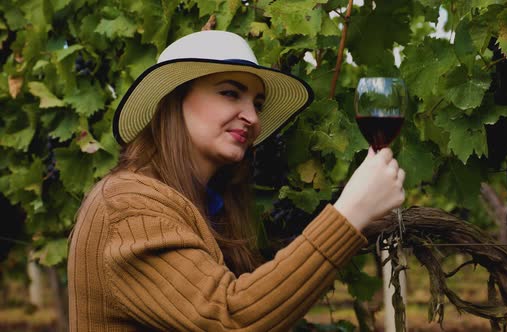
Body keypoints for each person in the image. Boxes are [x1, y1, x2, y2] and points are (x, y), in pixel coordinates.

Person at [67, 30, 406, 331]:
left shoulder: (202, 203)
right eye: (230, 93)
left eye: (257, 103)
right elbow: (231, 319)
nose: (253, 117)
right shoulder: (128, 206)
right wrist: (348, 214)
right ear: (174, 101)